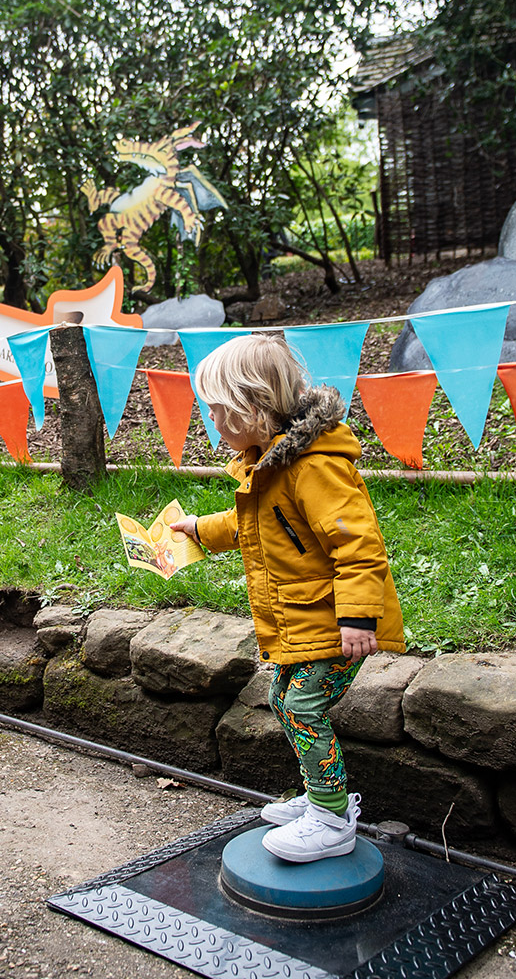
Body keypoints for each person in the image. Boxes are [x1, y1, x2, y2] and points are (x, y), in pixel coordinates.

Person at [169, 334, 404, 862]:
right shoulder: (268, 462)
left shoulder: (313, 466)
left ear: (255, 407)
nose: (214, 422)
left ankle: (331, 818)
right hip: (303, 617)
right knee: (285, 701)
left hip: (336, 622)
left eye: (219, 411)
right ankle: (322, 799)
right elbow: (251, 524)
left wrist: (359, 617)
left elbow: (358, 542)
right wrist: (200, 529)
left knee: (302, 705)